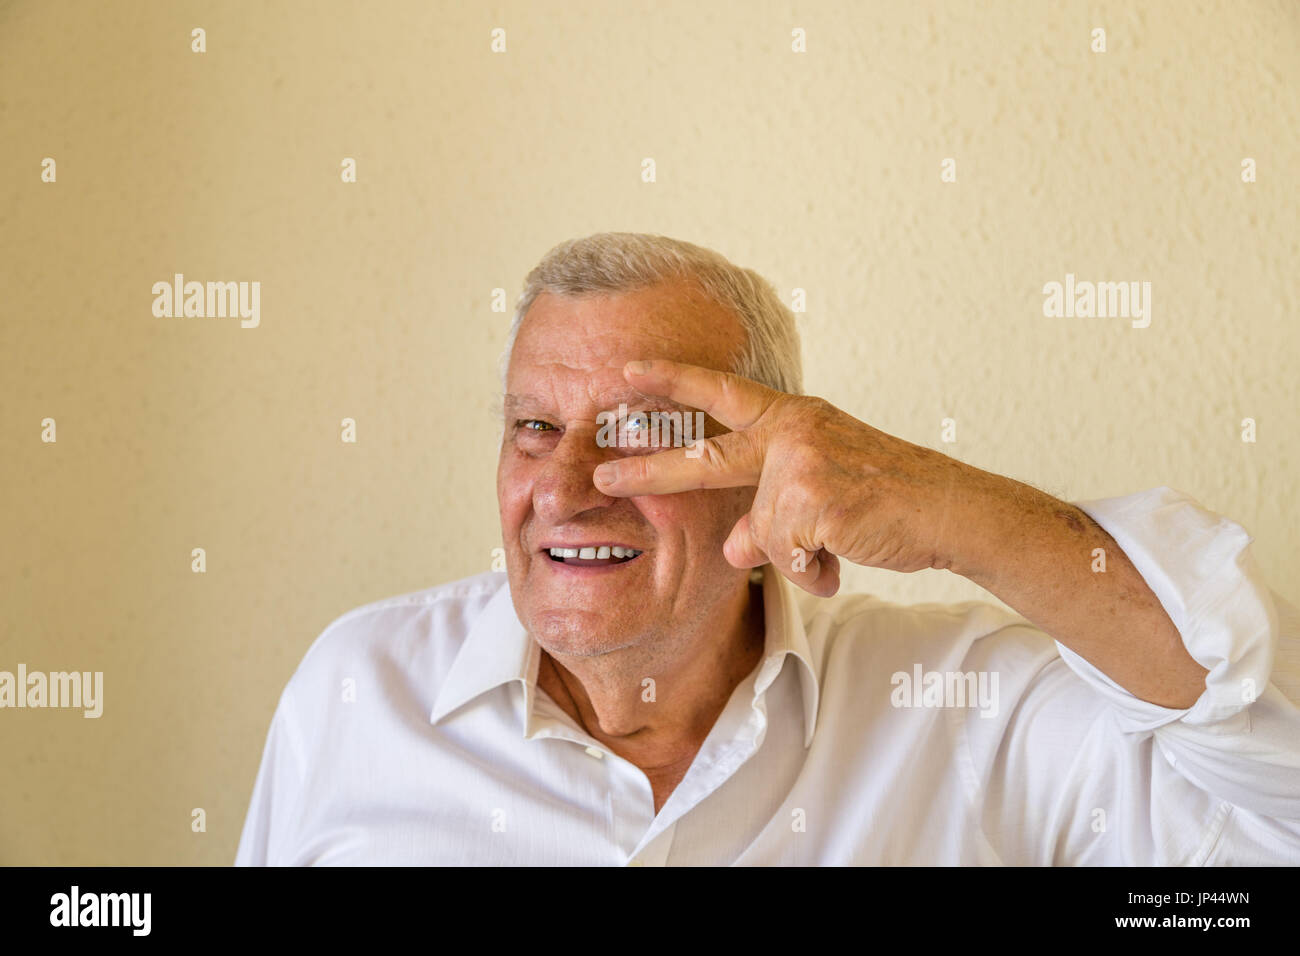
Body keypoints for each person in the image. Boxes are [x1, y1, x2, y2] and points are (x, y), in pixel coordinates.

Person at [235, 232, 1300, 865]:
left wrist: (942, 504)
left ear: (779, 462)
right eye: (533, 426)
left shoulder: (963, 707)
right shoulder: (357, 690)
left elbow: (1275, 793)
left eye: (642, 428)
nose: (563, 490)